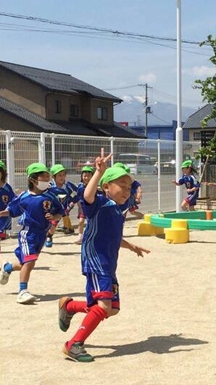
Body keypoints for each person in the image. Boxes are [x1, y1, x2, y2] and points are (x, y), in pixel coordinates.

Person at [58, 150, 150, 363]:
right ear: (106, 187)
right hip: (96, 260)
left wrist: (131, 246)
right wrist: (99, 172)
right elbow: (86, 197)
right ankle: (74, 344)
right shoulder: (98, 203)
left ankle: (69, 306)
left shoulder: (119, 210)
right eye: (122, 185)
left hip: (108, 263)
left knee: (113, 309)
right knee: (104, 306)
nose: (127, 190)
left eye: (129, 187)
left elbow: (113, 237)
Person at [0, 163, 65, 304]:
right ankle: (22, 291)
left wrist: (54, 217)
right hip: (28, 233)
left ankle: (7, 267)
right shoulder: (24, 197)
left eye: (47, 176)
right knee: (30, 260)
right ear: (32, 180)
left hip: (42, 234)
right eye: (43, 177)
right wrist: (2, 212)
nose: (47, 179)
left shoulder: (51, 196)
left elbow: (60, 212)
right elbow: (13, 210)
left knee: (27, 263)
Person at [47, 164, 78, 247]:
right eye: (59, 175)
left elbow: (77, 193)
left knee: (54, 224)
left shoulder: (68, 186)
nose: (62, 177)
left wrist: (71, 202)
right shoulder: (49, 186)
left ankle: (49, 237)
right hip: (48, 209)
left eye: (64, 175)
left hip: (59, 210)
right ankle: (43, 236)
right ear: (54, 177)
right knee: (44, 225)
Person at [73, 166, 94, 245]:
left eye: (89, 176)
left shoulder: (95, 187)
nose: (86, 177)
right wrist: (79, 207)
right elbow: (77, 197)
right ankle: (80, 237)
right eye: (85, 175)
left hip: (92, 208)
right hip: (83, 208)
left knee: (91, 223)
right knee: (81, 222)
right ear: (81, 176)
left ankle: (91, 237)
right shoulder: (80, 187)